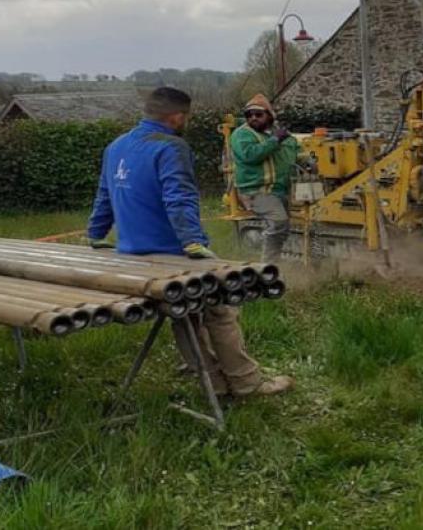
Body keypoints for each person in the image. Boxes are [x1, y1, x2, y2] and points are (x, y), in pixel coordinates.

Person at [87, 87, 294, 398]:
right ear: (177, 116)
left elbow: (104, 195)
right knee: (221, 311)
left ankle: (212, 382)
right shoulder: (171, 147)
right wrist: (193, 243)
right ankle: (246, 382)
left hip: (133, 254)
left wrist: (96, 232)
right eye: (186, 117)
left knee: (182, 314)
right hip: (173, 253)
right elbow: (179, 197)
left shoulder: (115, 147)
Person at [230, 94, 300, 263]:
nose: (253, 118)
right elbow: (250, 155)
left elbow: (301, 150)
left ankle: (272, 263)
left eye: (258, 114)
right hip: (256, 191)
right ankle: (267, 268)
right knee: (278, 224)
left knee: (282, 229)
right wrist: (276, 140)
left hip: (279, 191)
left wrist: (312, 159)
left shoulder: (280, 135)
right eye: (249, 115)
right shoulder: (242, 135)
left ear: (269, 115)